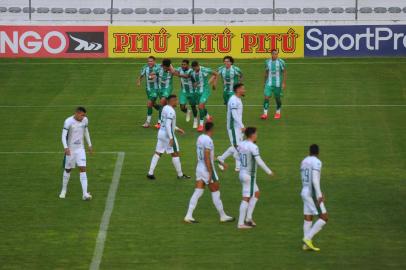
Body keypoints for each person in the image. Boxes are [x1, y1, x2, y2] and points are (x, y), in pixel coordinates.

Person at [184, 122, 234, 223]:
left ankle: (188, 215)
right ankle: (223, 216)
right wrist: (210, 172)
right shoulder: (209, 140)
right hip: (207, 169)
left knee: (198, 191)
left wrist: (220, 162)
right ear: (212, 129)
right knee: (216, 191)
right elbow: (207, 157)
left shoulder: (200, 138)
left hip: (199, 168)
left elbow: (208, 155)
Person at [237, 127, 274, 229]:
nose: (257, 136)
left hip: (242, 173)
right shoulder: (253, 147)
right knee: (246, 198)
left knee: (256, 193)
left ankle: (248, 218)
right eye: (256, 134)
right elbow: (259, 161)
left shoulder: (241, 144)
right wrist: (269, 171)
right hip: (249, 176)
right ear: (252, 135)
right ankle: (240, 223)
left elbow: (237, 154)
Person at [147, 95, 190, 180]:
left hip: (161, 133)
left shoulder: (165, 108)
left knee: (158, 153)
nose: (177, 102)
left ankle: (150, 173)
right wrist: (171, 138)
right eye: (176, 101)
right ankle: (180, 175)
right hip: (167, 135)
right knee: (175, 153)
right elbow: (167, 125)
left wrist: (177, 129)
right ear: (172, 101)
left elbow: (166, 122)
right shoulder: (171, 111)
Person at [59, 107, 93, 200]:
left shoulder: (85, 120)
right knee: (68, 170)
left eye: (84, 115)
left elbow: (86, 132)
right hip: (71, 150)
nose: (83, 117)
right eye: (82, 115)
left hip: (80, 149)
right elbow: (63, 136)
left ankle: (85, 194)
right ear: (77, 113)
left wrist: (89, 144)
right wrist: (66, 147)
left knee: (83, 169)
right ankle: (64, 190)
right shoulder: (68, 121)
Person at [300, 144, 328, 251]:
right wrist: (319, 195)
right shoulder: (317, 162)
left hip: (304, 191)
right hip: (312, 194)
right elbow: (315, 180)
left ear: (309, 151)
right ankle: (307, 238)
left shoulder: (303, 161)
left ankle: (306, 245)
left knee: (308, 218)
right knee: (324, 217)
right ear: (318, 152)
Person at [217, 83, 245, 172]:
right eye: (243, 89)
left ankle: (224, 160)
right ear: (238, 90)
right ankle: (223, 160)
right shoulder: (233, 100)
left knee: (237, 145)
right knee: (237, 146)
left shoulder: (238, 99)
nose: (244, 90)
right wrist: (242, 125)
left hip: (237, 126)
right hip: (233, 127)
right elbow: (234, 114)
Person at [190, 60, 218, 132]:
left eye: (195, 68)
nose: (194, 69)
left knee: (200, 106)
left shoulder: (204, 70)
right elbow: (193, 80)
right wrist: (194, 84)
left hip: (205, 91)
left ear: (198, 65)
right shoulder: (192, 72)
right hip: (197, 92)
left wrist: (214, 83)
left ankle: (201, 125)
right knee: (201, 107)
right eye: (193, 68)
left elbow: (216, 73)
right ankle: (208, 117)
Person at [261, 49, 287, 120]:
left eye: (276, 54)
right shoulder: (267, 62)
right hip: (269, 83)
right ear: (271, 54)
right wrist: (264, 82)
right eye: (274, 54)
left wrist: (284, 83)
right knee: (266, 97)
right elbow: (266, 72)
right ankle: (265, 114)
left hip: (277, 84)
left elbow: (284, 72)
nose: (275, 55)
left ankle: (278, 112)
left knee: (277, 99)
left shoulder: (281, 62)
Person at [137, 56, 161, 128]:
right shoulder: (145, 67)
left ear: (154, 61)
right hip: (148, 89)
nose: (149, 62)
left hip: (156, 89)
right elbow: (141, 75)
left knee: (149, 103)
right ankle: (163, 109)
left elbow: (165, 67)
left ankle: (147, 122)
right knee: (153, 104)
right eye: (148, 61)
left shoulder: (158, 67)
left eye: (151, 61)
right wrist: (139, 81)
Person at [175, 59, 199, 129]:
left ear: (188, 65)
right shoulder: (180, 69)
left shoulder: (191, 71)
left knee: (193, 106)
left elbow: (187, 76)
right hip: (184, 91)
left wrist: (178, 74)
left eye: (184, 64)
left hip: (192, 92)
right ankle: (188, 111)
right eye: (182, 64)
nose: (183, 66)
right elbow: (173, 70)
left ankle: (195, 120)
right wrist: (168, 66)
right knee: (182, 107)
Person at [156, 58, 176, 129]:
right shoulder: (159, 67)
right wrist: (152, 76)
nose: (164, 68)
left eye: (166, 67)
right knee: (165, 106)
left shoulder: (171, 70)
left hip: (167, 88)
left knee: (162, 102)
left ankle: (159, 122)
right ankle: (169, 119)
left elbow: (174, 72)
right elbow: (154, 72)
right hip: (160, 88)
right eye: (164, 66)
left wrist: (170, 66)